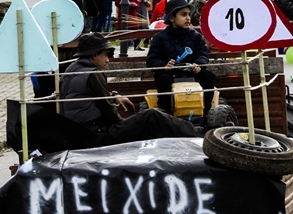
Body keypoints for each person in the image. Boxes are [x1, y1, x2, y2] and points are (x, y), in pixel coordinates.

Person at [60, 33, 200, 144]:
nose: (108, 60)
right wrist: (125, 124)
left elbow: (86, 96)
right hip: (97, 135)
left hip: (77, 133)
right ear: (94, 55)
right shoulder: (93, 73)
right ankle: (198, 134)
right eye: (105, 55)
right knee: (152, 116)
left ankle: (192, 131)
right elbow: (109, 112)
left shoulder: (71, 70)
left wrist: (114, 95)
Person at [146, 0, 215, 115]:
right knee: (163, 79)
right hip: (170, 74)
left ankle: (206, 110)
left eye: (189, 14)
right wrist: (164, 66)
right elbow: (152, 59)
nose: (188, 18)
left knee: (208, 76)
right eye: (183, 14)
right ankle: (166, 112)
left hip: (191, 72)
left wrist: (199, 64)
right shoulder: (160, 38)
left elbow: (202, 53)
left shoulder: (195, 36)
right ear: (172, 17)